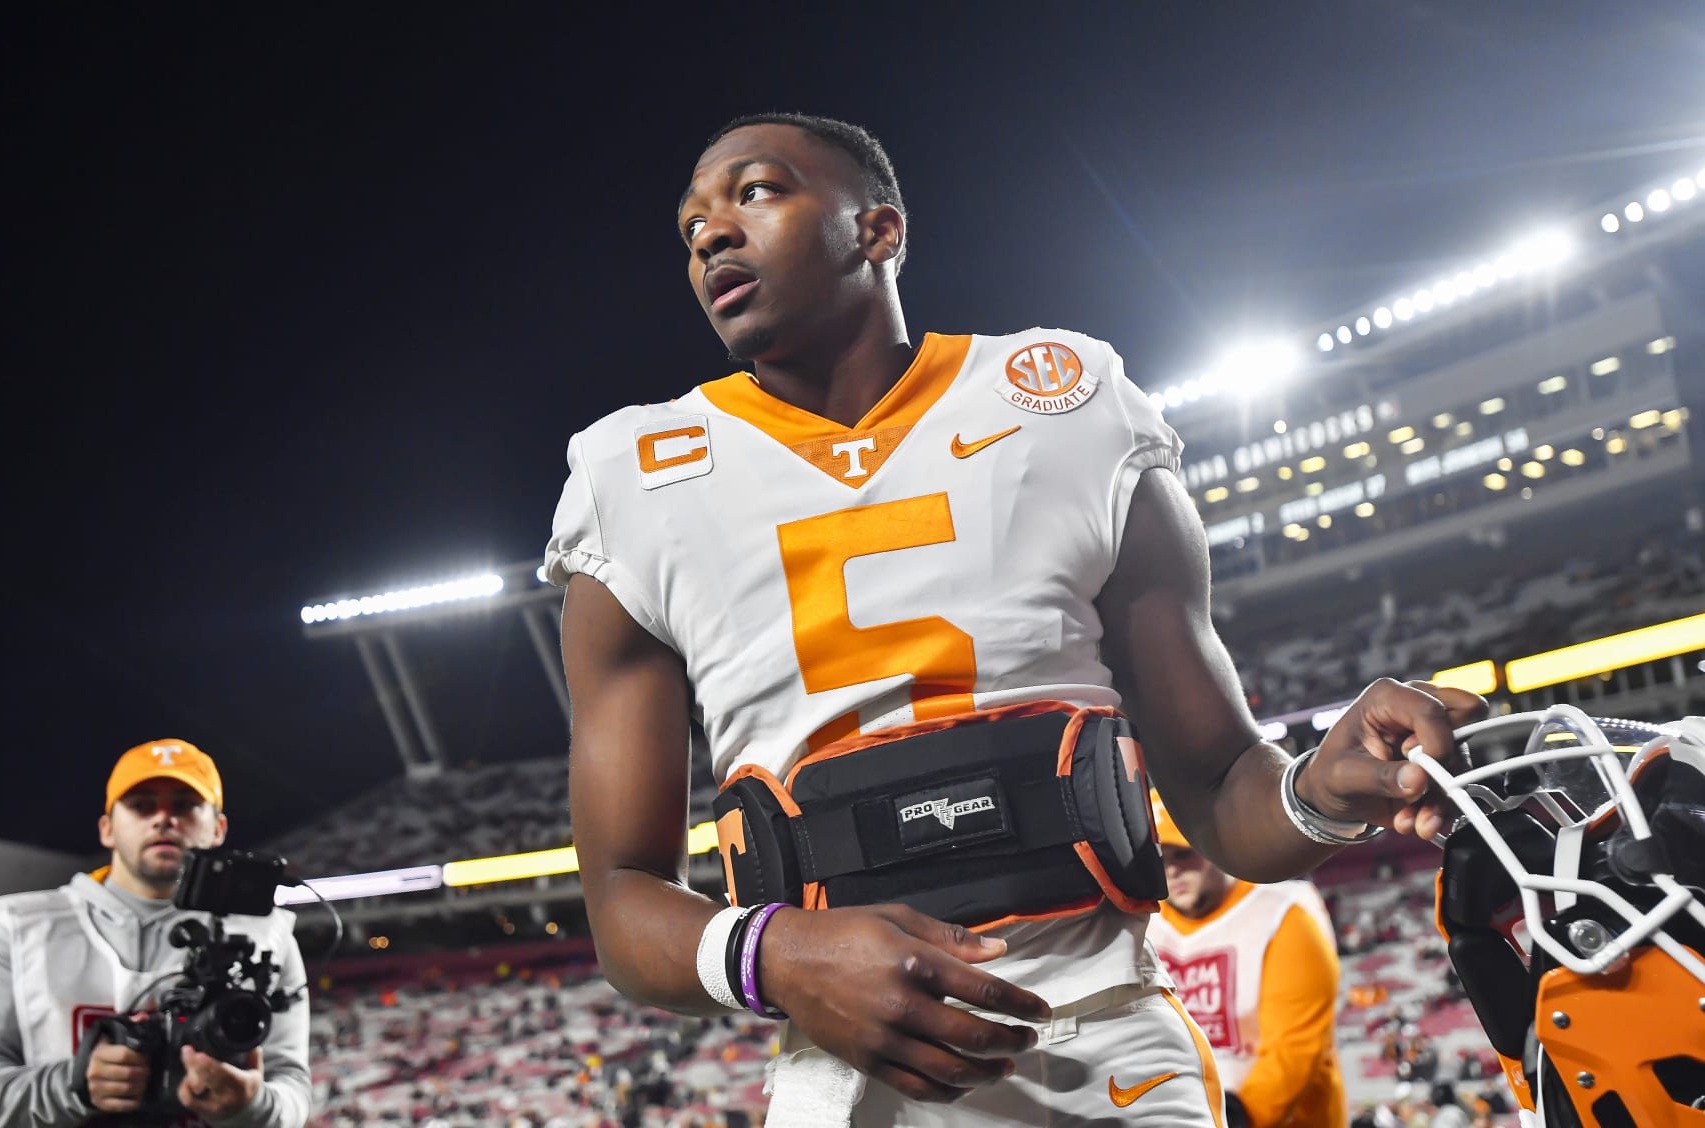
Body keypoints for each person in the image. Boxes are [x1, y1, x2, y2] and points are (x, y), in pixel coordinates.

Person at [547, 112, 1483, 1126]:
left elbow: (1221, 793)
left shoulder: (1066, 403)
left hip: (1107, 1045)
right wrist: (775, 952)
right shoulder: (629, 481)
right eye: (691, 226)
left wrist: (1319, 786)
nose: (711, 234)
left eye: (755, 192)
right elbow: (624, 905)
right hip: (845, 1075)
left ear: (879, 231)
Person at [0, 739, 311, 1127]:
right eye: (142, 805)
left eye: (185, 804)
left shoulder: (270, 936)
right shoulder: (13, 924)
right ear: (107, 828)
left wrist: (251, 1106)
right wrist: (73, 1086)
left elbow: (292, 1092)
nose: (164, 818)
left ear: (218, 828)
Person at [1146, 795, 1346, 1126]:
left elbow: (1295, 1051)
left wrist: (1232, 1119)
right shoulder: (1147, 921)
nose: (1172, 869)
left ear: (1216, 849)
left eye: (1183, 853)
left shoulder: (1285, 914)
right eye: (1159, 857)